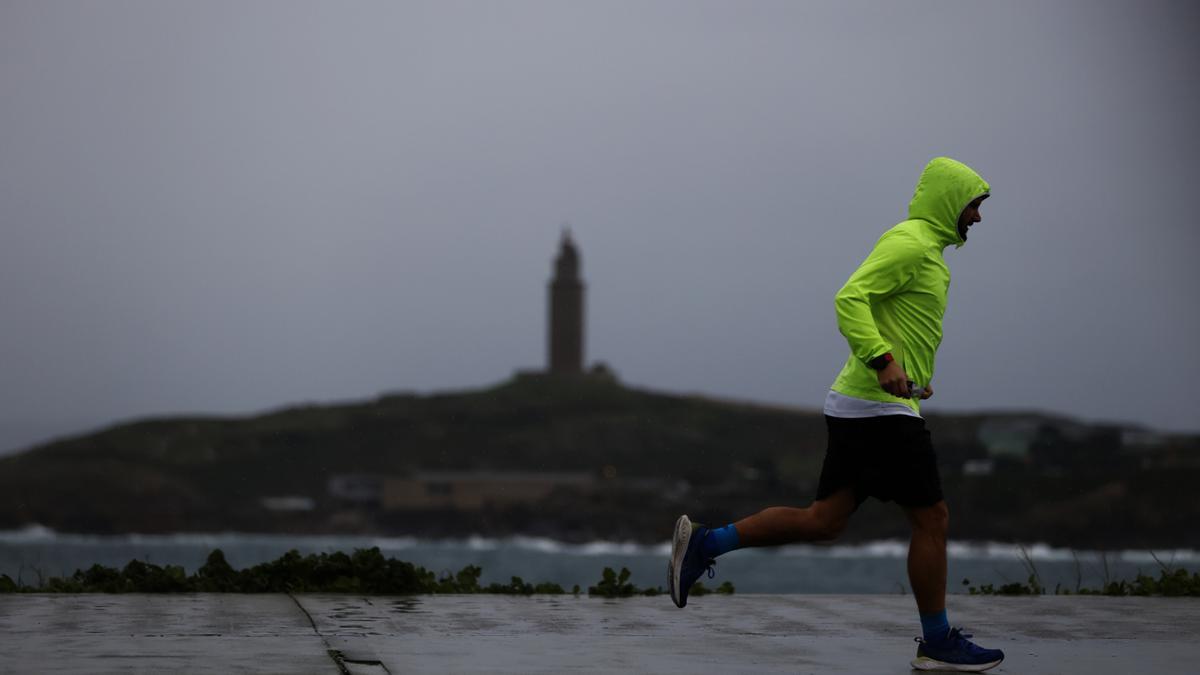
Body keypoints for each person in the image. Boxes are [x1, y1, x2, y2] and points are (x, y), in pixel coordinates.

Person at [668, 157, 1005, 672]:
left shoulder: (929, 252)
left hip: (868, 404)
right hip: (879, 409)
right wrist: (883, 361)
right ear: (950, 199)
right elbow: (850, 298)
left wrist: (909, 371)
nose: (979, 217)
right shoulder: (910, 242)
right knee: (932, 519)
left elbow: (894, 318)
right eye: (975, 205)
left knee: (823, 521)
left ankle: (707, 543)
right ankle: (936, 642)